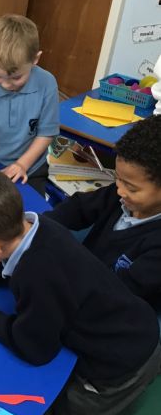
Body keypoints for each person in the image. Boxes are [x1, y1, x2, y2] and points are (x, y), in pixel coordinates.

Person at [0, 166, 161, 415]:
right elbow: (12, 263)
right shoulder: (38, 226)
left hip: (119, 364)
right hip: (133, 324)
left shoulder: (38, 275)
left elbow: (36, 348)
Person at [46, 116, 161, 308]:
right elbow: (78, 208)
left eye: (131, 188)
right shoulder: (120, 195)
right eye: (118, 178)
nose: (120, 190)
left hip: (112, 307)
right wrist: (36, 227)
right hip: (81, 277)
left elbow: (115, 294)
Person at [0, 14, 59, 195]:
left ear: (35, 59)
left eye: (16, 77)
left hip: (31, 167)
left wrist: (22, 164)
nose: (6, 84)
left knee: (30, 207)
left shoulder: (47, 83)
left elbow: (46, 134)